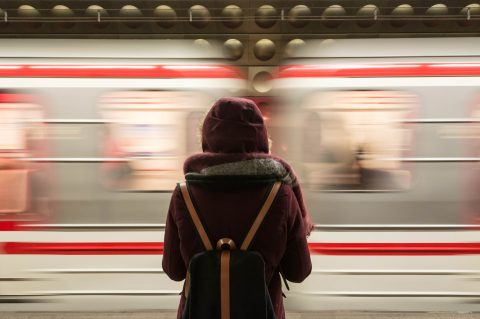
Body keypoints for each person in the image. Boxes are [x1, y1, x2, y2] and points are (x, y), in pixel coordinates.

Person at [162, 97, 313, 319]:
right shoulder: (281, 194)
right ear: (261, 137)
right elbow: (299, 271)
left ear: (207, 138)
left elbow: (173, 270)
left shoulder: (183, 194)